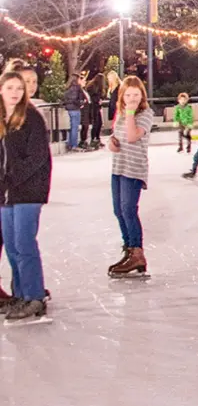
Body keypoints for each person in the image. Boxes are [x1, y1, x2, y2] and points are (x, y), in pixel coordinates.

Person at [0, 71, 52, 322]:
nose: (15, 93)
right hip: (5, 194)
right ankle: (20, 294)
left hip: (28, 191)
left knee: (24, 244)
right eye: (10, 88)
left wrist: (12, 177)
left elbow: (38, 156)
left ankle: (34, 296)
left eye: (18, 88)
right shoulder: (1, 118)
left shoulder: (31, 117)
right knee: (11, 246)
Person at [107, 76, 154, 278]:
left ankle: (137, 252)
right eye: (128, 95)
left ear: (142, 95)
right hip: (119, 165)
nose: (132, 98)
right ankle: (128, 249)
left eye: (136, 94)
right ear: (122, 96)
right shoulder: (122, 113)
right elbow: (118, 136)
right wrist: (112, 143)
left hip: (134, 168)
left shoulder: (145, 114)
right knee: (118, 210)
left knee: (128, 209)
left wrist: (131, 113)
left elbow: (133, 136)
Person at [62, 71, 88, 151]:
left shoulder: (68, 87)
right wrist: (81, 103)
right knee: (75, 128)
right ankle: (74, 145)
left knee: (72, 127)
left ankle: (70, 144)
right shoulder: (77, 88)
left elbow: (65, 99)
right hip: (75, 109)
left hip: (69, 109)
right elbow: (77, 99)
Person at [85, 72, 106, 149]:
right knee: (96, 123)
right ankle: (93, 139)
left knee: (99, 123)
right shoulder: (93, 87)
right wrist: (98, 100)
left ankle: (97, 138)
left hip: (96, 107)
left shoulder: (94, 86)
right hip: (94, 107)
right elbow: (93, 98)